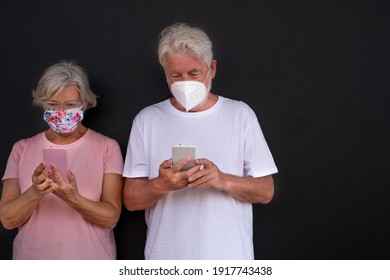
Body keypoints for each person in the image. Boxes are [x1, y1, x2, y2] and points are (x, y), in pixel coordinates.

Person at [122, 23, 278, 260]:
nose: (185, 82)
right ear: (166, 74)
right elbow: (131, 200)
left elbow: (266, 191)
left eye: (194, 73)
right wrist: (162, 185)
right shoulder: (147, 120)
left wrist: (222, 180)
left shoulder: (240, 115)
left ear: (212, 68)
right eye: (176, 75)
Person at [0, 60, 124, 259]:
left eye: (70, 105)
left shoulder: (107, 147)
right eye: (53, 104)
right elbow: (7, 219)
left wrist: (73, 199)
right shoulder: (21, 149)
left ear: (86, 103)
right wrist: (35, 192)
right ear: (42, 103)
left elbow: (111, 217)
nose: (61, 112)